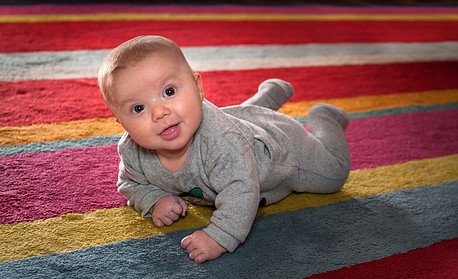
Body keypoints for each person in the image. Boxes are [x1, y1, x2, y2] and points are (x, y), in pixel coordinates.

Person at [98, 35, 351, 264]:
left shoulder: (222, 142)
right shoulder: (134, 151)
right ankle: (268, 97)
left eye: (169, 91)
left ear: (198, 88)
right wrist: (154, 200)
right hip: (236, 122)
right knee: (231, 117)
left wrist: (219, 237)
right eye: (138, 108)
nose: (159, 112)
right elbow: (130, 183)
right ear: (121, 123)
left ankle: (324, 117)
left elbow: (241, 191)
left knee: (334, 174)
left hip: (279, 150)